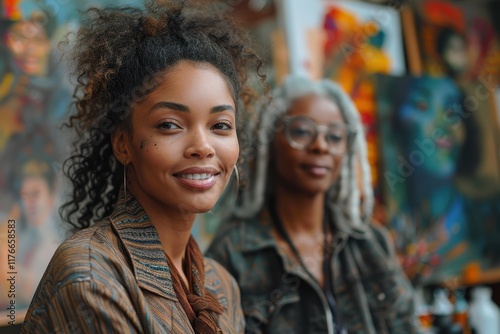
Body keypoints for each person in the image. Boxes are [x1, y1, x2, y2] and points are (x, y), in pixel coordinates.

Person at [21, 0, 265, 332]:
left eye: (220, 125)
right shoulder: (92, 275)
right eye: (169, 125)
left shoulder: (222, 286)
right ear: (123, 144)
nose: (203, 146)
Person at [206, 75, 418, 333]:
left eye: (335, 136)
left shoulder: (371, 244)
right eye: (302, 131)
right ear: (270, 143)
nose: (320, 146)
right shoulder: (233, 253)